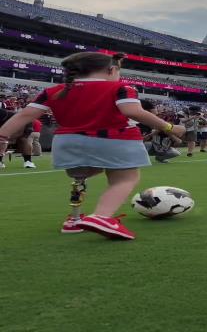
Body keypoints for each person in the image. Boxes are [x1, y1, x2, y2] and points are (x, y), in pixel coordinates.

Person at [0, 52, 185, 239]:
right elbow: (132, 111)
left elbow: (25, 115)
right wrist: (170, 127)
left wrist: (2, 135)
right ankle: (102, 217)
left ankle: (74, 219)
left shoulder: (54, 90)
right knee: (124, 179)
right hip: (113, 138)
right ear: (111, 69)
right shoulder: (122, 87)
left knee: (82, 175)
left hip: (67, 142)